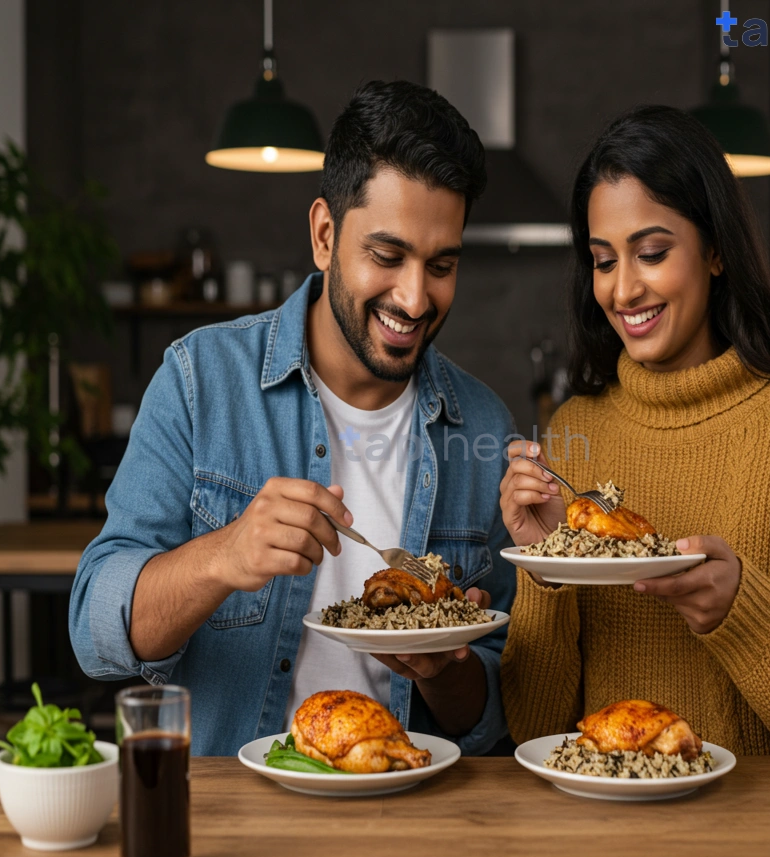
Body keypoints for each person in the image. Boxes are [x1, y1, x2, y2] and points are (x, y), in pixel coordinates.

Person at [70, 81, 516, 756]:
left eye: (442, 265)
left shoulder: (484, 430)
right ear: (325, 235)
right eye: (388, 257)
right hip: (238, 824)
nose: (416, 297)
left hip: (414, 827)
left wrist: (445, 669)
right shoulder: (199, 381)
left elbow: (494, 713)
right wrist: (224, 555)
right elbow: (97, 629)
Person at [498, 106, 770, 755]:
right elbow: (534, 726)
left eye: (652, 253)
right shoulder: (572, 432)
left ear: (715, 250)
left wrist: (740, 612)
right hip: (601, 838)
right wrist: (546, 574)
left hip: (763, 843)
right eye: (604, 261)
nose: (624, 289)